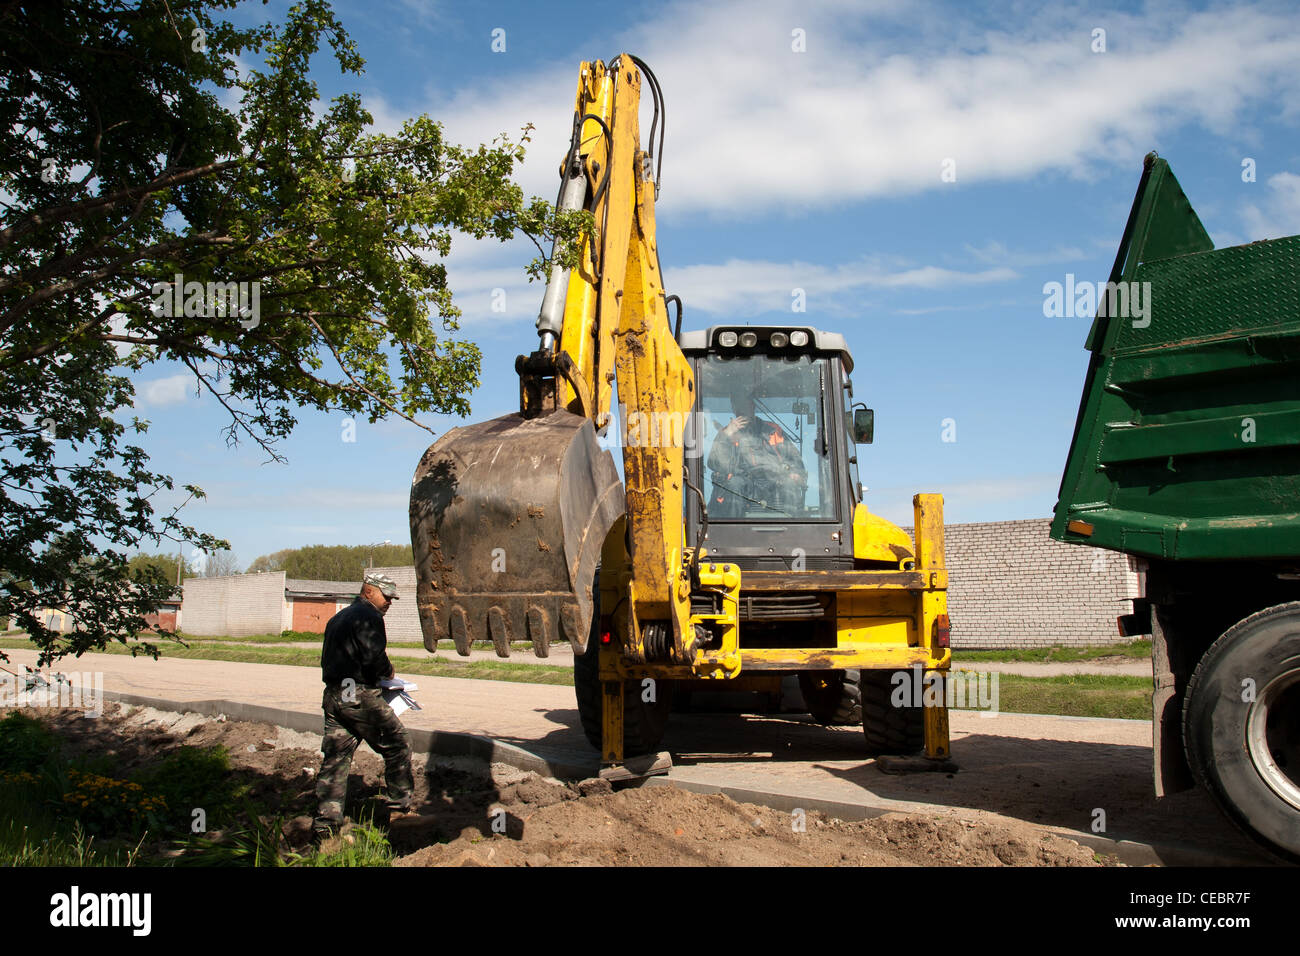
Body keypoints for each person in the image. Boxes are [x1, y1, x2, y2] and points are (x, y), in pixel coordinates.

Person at [312, 571, 414, 843]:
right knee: (399, 744)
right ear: (368, 591)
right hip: (357, 695)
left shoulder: (338, 617)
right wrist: (389, 672)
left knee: (336, 759)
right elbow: (373, 657)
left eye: (392, 598)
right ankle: (400, 812)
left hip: (335, 695)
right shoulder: (369, 617)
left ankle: (325, 827)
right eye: (386, 596)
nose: (389, 602)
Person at [706, 389, 807, 517]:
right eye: (737, 404)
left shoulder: (773, 430)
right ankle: (734, 532)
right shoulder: (726, 433)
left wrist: (795, 473)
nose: (741, 408)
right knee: (733, 485)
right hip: (742, 483)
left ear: (752, 406)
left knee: (789, 485)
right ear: (733, 407)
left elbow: (794, 459)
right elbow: (714, 463)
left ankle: (794, 529)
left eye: (745, 404)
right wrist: (726, 435)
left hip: (774, 481)